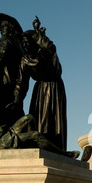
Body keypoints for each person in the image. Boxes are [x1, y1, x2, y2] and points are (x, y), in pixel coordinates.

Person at [16, 16, 67, 151]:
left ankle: (54, 147)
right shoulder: (24, 60)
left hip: (53, 87)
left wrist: (39, 35)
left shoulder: (44, 53)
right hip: (39, 90)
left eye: (28, 42)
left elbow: (51, 48)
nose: (25, 45)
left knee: (51, 122)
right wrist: (16, 99)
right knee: (37, 119)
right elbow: (21, 83)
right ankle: (39, 144)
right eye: (23, 43)